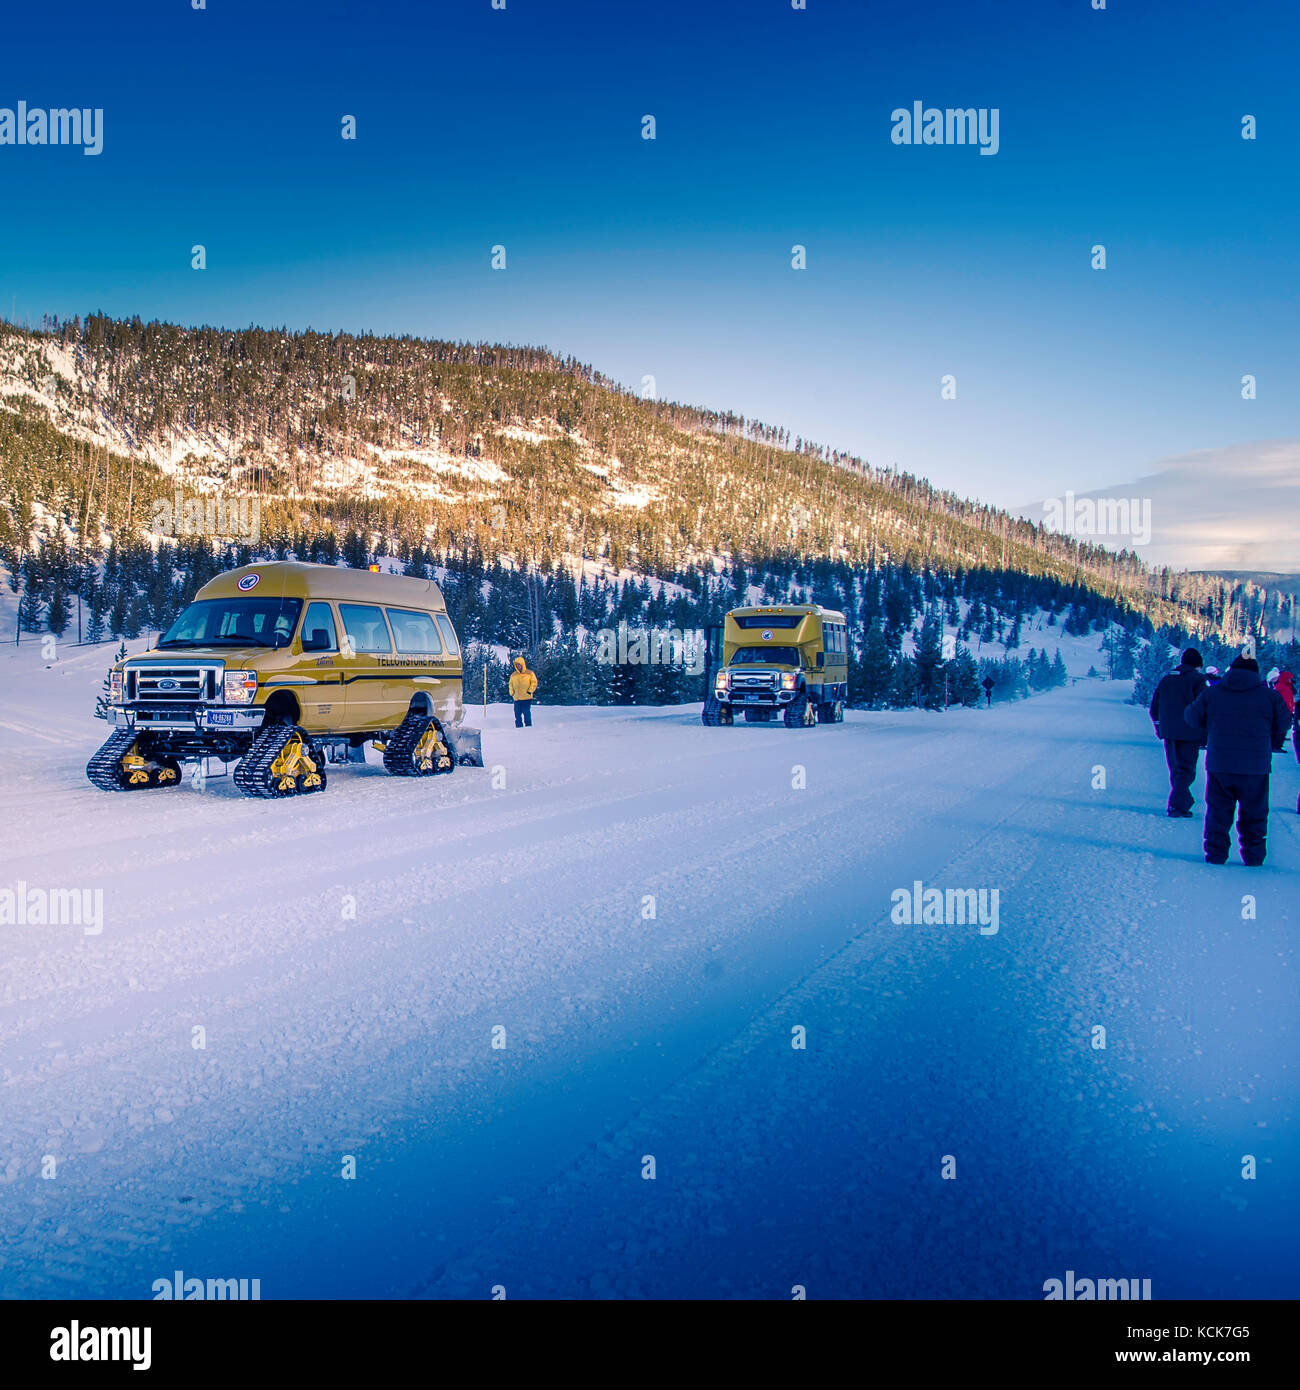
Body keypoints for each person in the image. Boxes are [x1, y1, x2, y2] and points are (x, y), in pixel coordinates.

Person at [1184, 656, 1290, 866]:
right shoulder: (1269, 696)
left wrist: (1211, 723)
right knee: (1255, 812)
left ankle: (1216, 854)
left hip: (1220, 763)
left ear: (1232, 670)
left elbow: (1192, 718)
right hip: (1256, 765)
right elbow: (1284, 723)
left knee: (1218, 810)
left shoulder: (1213, 693)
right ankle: (1254, 856)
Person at [1149, 648, 1209, 817]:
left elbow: (1154, 706)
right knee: (1186, 770)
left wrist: (1159, 727)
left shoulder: (1167, 679)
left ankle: (1180, 802)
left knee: (1176, 769)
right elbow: (1203, 707)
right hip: (1190, 732)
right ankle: (1178, 806)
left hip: (1169, 732)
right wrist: (1205, 733)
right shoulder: (1198, 680)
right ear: (1197, 665)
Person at [509, 656, 538, 727]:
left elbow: (534, 683)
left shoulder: (530, 673)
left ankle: (528, 727)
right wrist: (512, 692)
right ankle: (518, 727)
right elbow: (510, 684)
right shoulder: (513, 675)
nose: (518, 666)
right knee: (517, 714)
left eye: (519, 664)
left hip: (526, 698)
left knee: (526, 713)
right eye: (516, 665)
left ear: (522, 664)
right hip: (517, 698)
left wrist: (530, 691)